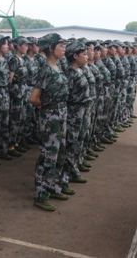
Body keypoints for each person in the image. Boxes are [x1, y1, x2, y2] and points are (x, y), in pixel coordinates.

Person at [30, 33, 68, 212]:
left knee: (59, 153)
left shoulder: (58, 66)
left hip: (61, 113)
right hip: (51, 115)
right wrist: (46, 109)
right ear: (51, 49)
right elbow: (34, 98)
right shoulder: (45, 69)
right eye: (60, 46)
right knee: (48, 155)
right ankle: (41, 194)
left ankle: (52, 187)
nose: (64, 48)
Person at [60, 41, 90, 197]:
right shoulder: (70, 74)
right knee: (70, 144)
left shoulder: (81, 70)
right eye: (83, 54)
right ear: (74, 56)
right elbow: (66, 96)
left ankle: (73, 170)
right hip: (73, 112)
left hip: (82, 110)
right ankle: (63, 179)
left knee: (78, 141)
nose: (87, 56)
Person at [8, 36, 31, 155]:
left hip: (23, 92)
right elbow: (10, 79)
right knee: (15, 120)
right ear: (18, 46)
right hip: (16, 93)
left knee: (22, 119)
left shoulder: (23, 59)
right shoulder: (14, 60)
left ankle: (17, 142)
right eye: (24, 45)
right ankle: (11, 145)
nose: (27, 47)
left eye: (27, 45)